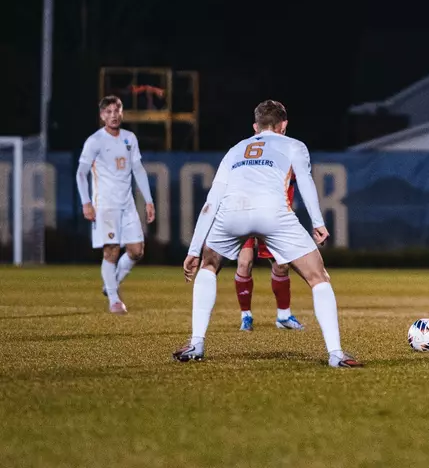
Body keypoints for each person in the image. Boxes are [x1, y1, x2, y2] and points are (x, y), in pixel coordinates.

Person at [174, 100, 361, 368]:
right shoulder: (294, 145)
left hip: (232, 213)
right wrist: (318, 222)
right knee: (318, 276)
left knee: (209, 265)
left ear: (255, 126)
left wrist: (194, 250)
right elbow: (306, 182)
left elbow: (211, 201)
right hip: (272, 212)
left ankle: (196, 343)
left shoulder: (235, 149)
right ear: (283, 125)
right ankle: (335, 354)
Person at [75, 96, 156, 314]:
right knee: (111, 251)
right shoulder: (95, 141)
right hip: (106, 205)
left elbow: (138, 169)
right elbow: (81, 174)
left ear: (121, 112)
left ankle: (111, 283)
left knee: (137, 251)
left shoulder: (130, 138)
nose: (113, 115)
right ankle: (114, 299)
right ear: (102, 115)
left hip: (127, 204)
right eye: (108, 111)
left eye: (116, 110)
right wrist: (86, 203)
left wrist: (148, 200)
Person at [234, 174, 305, 330]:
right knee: (245, 262)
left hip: (272, 215)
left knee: (281, 265)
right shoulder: (251, 157)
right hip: (245, 211)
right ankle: (245, 316)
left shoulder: (287, 157)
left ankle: (284, 316)